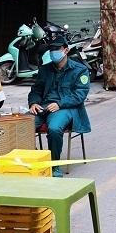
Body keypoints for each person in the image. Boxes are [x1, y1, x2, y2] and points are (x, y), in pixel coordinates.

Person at [29, 44, 92, 177]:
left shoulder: (80, 70)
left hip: (65, 107)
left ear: (66, 50)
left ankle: (54, 166)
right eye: (51, 50)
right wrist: (33, 103)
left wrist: (59, 104)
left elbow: (79, 95)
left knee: (54, 128)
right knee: (21, 126)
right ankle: (34, 160)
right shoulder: (45, 69)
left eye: (56, 50)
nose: (53, 53)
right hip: (43, 107)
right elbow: (36, 90)